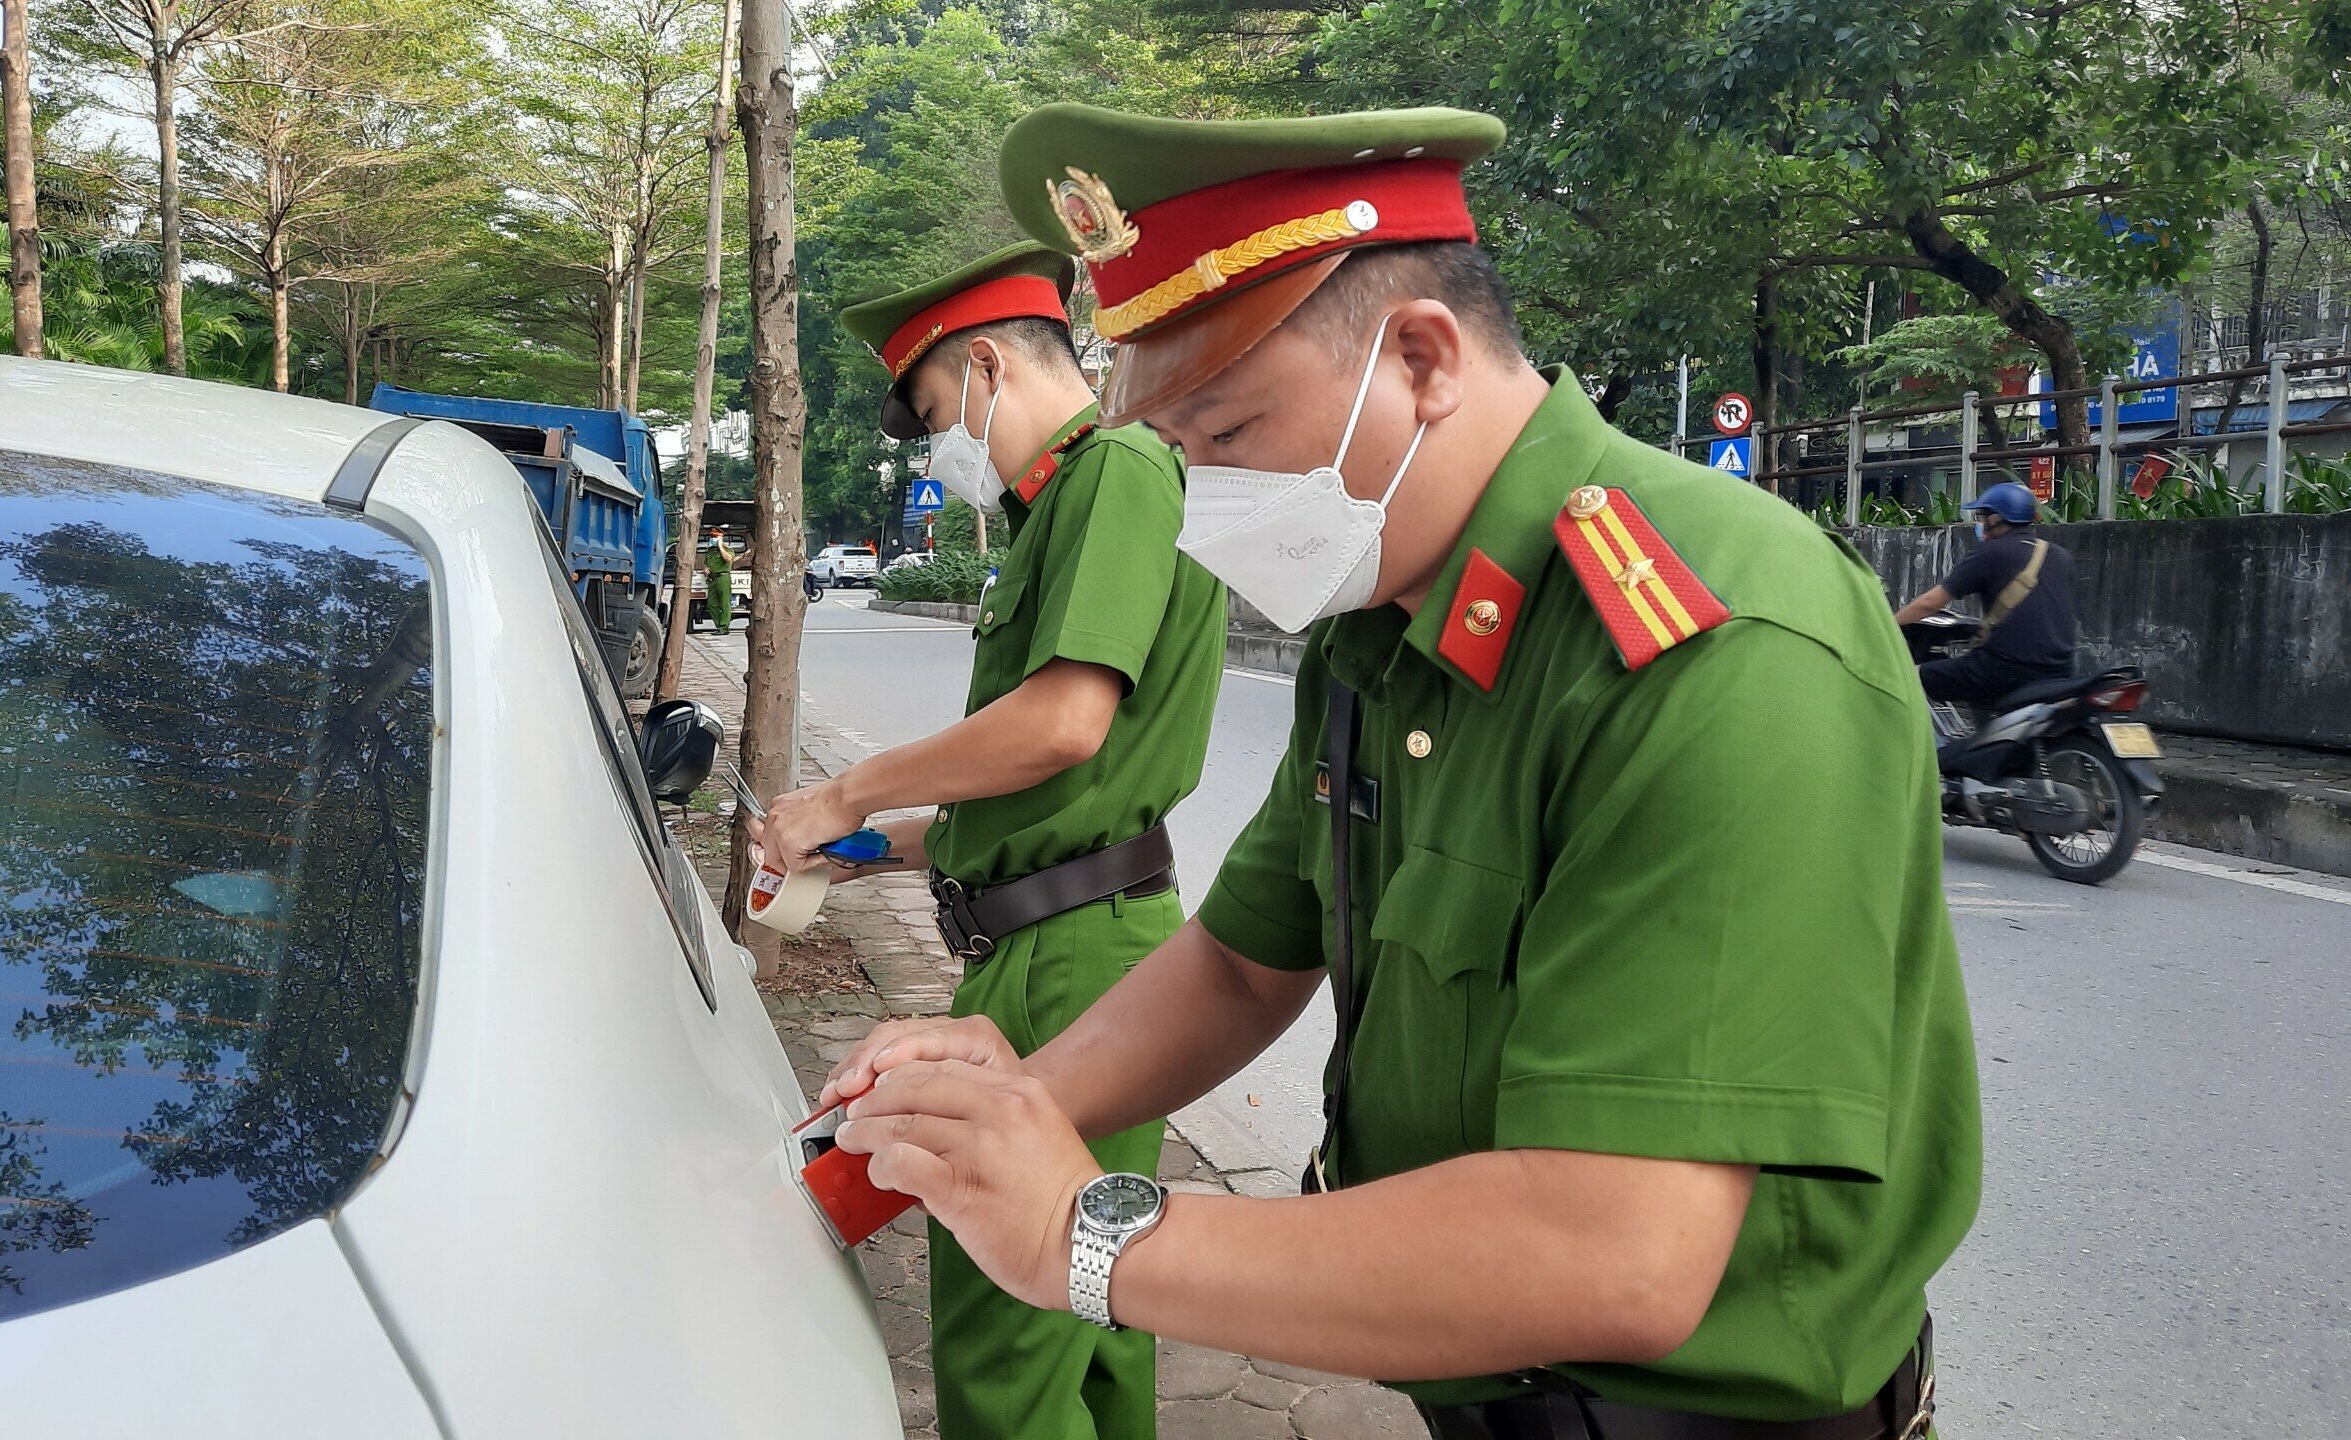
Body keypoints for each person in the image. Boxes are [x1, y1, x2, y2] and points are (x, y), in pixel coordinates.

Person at [818, 104, 1981, 1439]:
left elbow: (1619, 1251)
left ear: (1422, 357)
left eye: (1230, 434)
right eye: (1175, 456)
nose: (1201, 510)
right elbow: (1251, 958)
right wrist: (1013, 1100)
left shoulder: (1710, 649)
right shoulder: (1379, 620)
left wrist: (1091, 1237)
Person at [759, 241, 1227, 1440]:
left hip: (1069, 957)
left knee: (1005, 1327)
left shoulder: (1115, 470)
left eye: (931, 419)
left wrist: (848, 792)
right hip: (1063, 934)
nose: (936, 451)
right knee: (1088, 1308)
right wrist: (859, 849)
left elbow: (1063, 725)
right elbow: (1020, 799)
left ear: (983, 365)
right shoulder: (1068, 501)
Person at [1893, 481, 2078, 706]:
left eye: (1984, 516)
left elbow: (1930, 603)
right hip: (2062, 670)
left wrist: (1889, 625)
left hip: (2003, 670)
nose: (1981, 523)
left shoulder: (1990, 553)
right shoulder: (2059, 555)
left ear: (1996, 519)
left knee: (1909, 678)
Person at [703, 526, 739, 634]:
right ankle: (719, 625)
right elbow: (706, 562)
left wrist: (720, 546)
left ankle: (723, 627)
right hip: (712, 579)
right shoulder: (710, 551)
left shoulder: (728, 550)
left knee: (724, 603)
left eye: (715, 537)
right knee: (712, 604)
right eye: (711, 537)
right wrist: (705, 568)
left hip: (723, 578)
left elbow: (728, 559)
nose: (712, 539)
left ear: (721, 538)